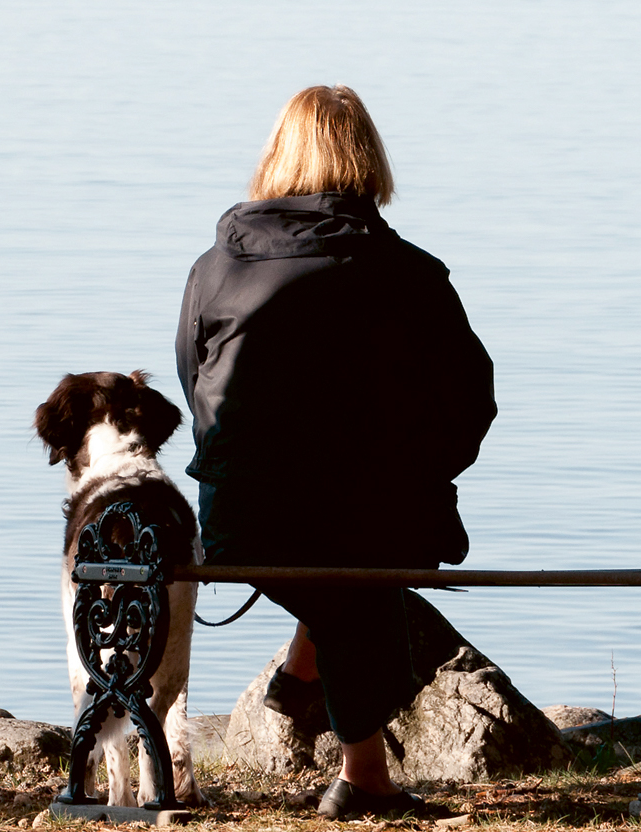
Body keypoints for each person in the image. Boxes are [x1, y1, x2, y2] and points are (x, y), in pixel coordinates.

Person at [176, 84, 497, 819]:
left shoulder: (214, 269)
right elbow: (470, 401)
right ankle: (360, 775)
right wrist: (424, 471)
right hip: (371, 518)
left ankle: (305, 681)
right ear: (369, 159)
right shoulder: (411, 275)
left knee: (339, 567)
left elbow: (197, 386)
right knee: (360, 575)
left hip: (241, 515)